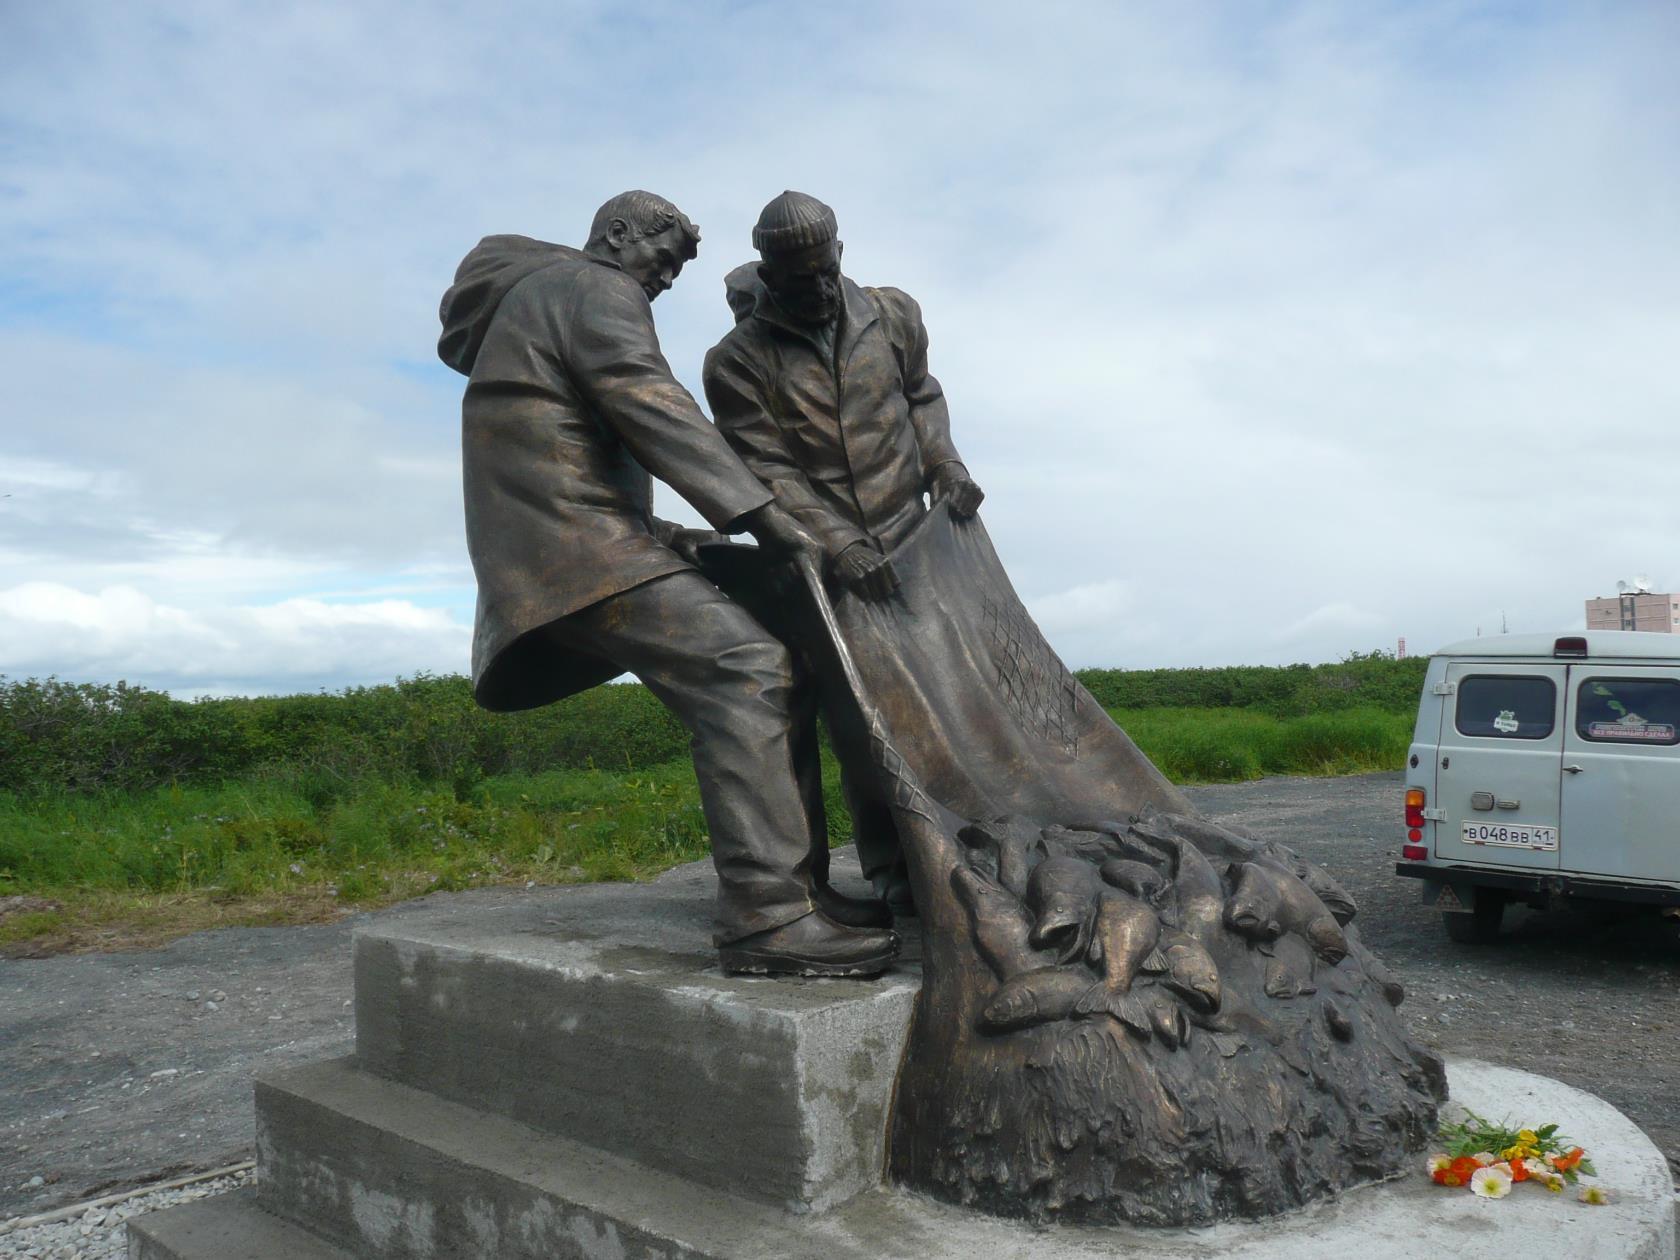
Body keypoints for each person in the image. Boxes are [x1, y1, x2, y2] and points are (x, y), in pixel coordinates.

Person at [437, 190, 898, 976]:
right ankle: (770, 921)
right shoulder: (592, 287)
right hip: (577, 549)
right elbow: (651, 403)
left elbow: (567, 453)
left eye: (679, 270)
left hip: (587, 536)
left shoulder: (542, 297)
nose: (666, 279)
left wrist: (692, 537)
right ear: (619, 235)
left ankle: (801, 889)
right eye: (663, 259)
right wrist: (769, 515)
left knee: (788, 646)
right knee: (747, 670)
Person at [703, 191, 984, 914]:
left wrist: (944, 462)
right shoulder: (736, 361)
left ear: (839, 253)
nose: (820, 289)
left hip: (916, 540)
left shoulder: (892, 314)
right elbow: (766, 468)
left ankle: (981, 849)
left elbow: (921, 397)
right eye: (800, 280)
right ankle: (899, 872)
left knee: (955, 699)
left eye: (827, 270)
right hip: (823, 563)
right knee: (866, 724)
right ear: (768, 271)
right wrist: (837, 541)